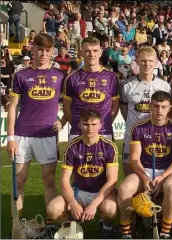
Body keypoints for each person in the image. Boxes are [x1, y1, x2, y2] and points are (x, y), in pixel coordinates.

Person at [6, 34, 66, 233]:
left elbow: (69, 104)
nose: (43, 54)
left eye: (47, 50)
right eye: (40, 49)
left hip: (47, 136)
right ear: (33, 50)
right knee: (19, 181)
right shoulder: (21, 75)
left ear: (52, 52)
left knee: (49, 180)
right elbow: (12, 107)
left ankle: (50, 225)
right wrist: (11, 138)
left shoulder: (60, 76)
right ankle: (16, 226)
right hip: (22, 135)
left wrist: (62, 120)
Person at [117, 91, 172, 239]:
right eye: (156, 106)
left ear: (170, 108)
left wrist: (162, 177)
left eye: (164, 107)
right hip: (145, 170)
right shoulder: (139, 127)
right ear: (150, 106)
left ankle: (165, 232)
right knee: (124, 188)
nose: (160, 110)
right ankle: (126, 233)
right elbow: (134, 159)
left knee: (171, 186)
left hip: (168, 171)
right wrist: (145, 179)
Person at [45, 109, 118, 238]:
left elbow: (112, 180)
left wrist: (94, 204)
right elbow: (64, 180)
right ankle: (74, 227)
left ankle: (106, 226)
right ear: (79, 125)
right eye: (86, 124)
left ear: (100, 125)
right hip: (79, 191)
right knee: (53, 209)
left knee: (110, 209)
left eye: (94, 124)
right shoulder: (72, 147)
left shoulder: (109, 146)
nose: (90, 128)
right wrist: (73, 204)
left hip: (101, 191)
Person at [120, 47, 171, 175]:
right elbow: (124, 110)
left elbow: (168, 111)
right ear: (136, 61)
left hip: (156, 137)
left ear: (156, 62)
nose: (147, 64)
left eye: (150, 61)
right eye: (143, 61)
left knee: (157, 177)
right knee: (129, 176)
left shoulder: (164, 86)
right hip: (132, 136)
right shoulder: (127, 86)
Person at [62, 36, 120, 141]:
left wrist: (102, 125)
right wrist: (79, 126)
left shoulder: (112, 77)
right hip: (77, 133)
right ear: (81, 52)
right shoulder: (71, 78)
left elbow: (115, 107)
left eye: (95, 50)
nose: (92, 54)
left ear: (100, 52)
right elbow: (66, 108)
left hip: (104, 132)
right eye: (87, 51)